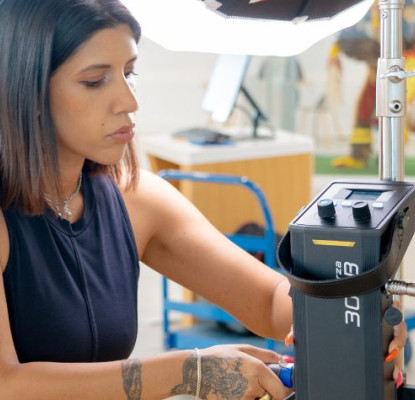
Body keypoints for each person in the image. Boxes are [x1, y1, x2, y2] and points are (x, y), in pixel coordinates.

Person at [0, 1, 405, 399]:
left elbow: (267, 300)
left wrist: (357, 318)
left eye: (129, 73)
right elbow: (7, 384)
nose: (129, 101)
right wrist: (188, 371)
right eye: (94, 81)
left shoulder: (135, 198)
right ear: (28, 89)